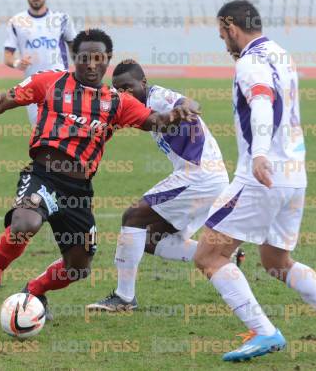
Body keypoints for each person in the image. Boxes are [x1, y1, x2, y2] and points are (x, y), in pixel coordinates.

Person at [0, 29, 199, 317]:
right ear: (73, 58)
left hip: (78, 192)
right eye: (84, 58)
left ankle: (35, 290)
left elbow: (154, 120)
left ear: (108, 61)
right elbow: (0, 102)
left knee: (78, 268)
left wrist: (176, 114)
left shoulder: (117, 102)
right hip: (43, 176)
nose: (91, 65)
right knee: (24, 223)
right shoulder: (49, 83)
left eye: (99, 59)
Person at [193, 0, 316, 362]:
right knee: (275, 259)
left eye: (222, 34)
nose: (223, 42)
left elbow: (262, 100)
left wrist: (258, 154)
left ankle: (263, 331)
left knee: (209, 255)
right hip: (294, 175)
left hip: (262, 174)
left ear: (232, 29)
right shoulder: (281, 54)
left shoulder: (249, 62)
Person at [86, 60, 229, 311]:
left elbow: (190, 104)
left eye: (128, 87)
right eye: (118, 89)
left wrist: (185, 109)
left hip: (199, 175)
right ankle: (224, 258)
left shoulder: (159, 97)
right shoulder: (133, 107)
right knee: (151, 238)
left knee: (133, 217)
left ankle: (124, 298)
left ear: (143, 83)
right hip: (204, 176)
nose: (124, 94)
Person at [4, 0, 77, 125]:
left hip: (60, 84)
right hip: (32, 87)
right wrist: (18, 62)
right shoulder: (16, 21)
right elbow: (7, 57)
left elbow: (75, 49)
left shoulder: (62, 19)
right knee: (39, 132)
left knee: (64, 130)